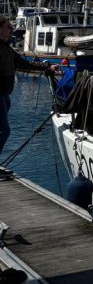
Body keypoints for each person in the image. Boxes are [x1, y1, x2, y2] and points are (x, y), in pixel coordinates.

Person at [0, 16, 55, 178]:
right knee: (4, 131)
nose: (12, 29)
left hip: (5, 95)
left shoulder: (7, 48)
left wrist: (47, 67)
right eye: (8, 27)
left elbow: (25, 64)